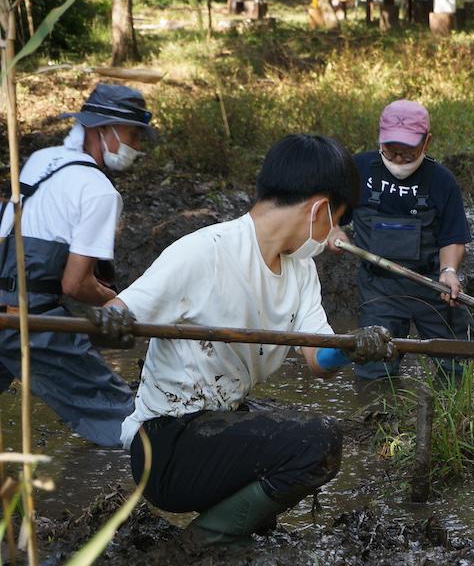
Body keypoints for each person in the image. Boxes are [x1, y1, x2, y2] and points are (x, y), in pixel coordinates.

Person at [94, 134, 394, 545]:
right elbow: (124, 311)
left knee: (285, 443)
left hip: (218, 425)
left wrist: (352, 347)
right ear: (319, 208)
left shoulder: (301, 271)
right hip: (165, 445)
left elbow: (317, 359)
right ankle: (196, 544)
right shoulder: (205, 251)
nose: (332, 236)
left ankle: (226, 531)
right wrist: (110, 320)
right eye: (336, 221)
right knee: (317, 438)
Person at [0, 83, 155, 448]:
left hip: (5, 308)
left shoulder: (42, 159)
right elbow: (74, 284)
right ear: (104, 129)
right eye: (134, 134)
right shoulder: (99, 191)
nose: (137, 146)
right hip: (29, 320)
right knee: (122, 415)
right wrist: (118, 306)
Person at [328, 100, 473, 381]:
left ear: (427, 142)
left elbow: (453, 236)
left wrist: (449, 271)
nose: (397, 160)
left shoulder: (441, 180)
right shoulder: (359, 170)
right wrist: (333, 228)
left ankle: (459, 415)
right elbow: (329, 210)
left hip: (431, 287)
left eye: (408, 153)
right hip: (379, 289)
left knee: (459, 363)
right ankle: (374, 418)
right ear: (379, 139)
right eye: (391, 151)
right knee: (374, 366)